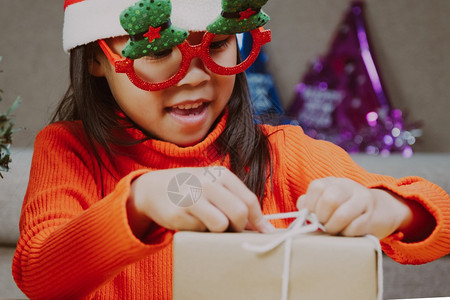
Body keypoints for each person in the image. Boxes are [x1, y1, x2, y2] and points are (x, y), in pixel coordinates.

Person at [12, 0, 450, 299]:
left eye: (217, 45)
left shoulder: (282, 152)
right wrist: (141, 202)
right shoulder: (70, 150)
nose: (195, 77)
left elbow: (441, 218)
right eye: (160, 50)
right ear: (95, 58)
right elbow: (38, 274)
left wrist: (389, 208)